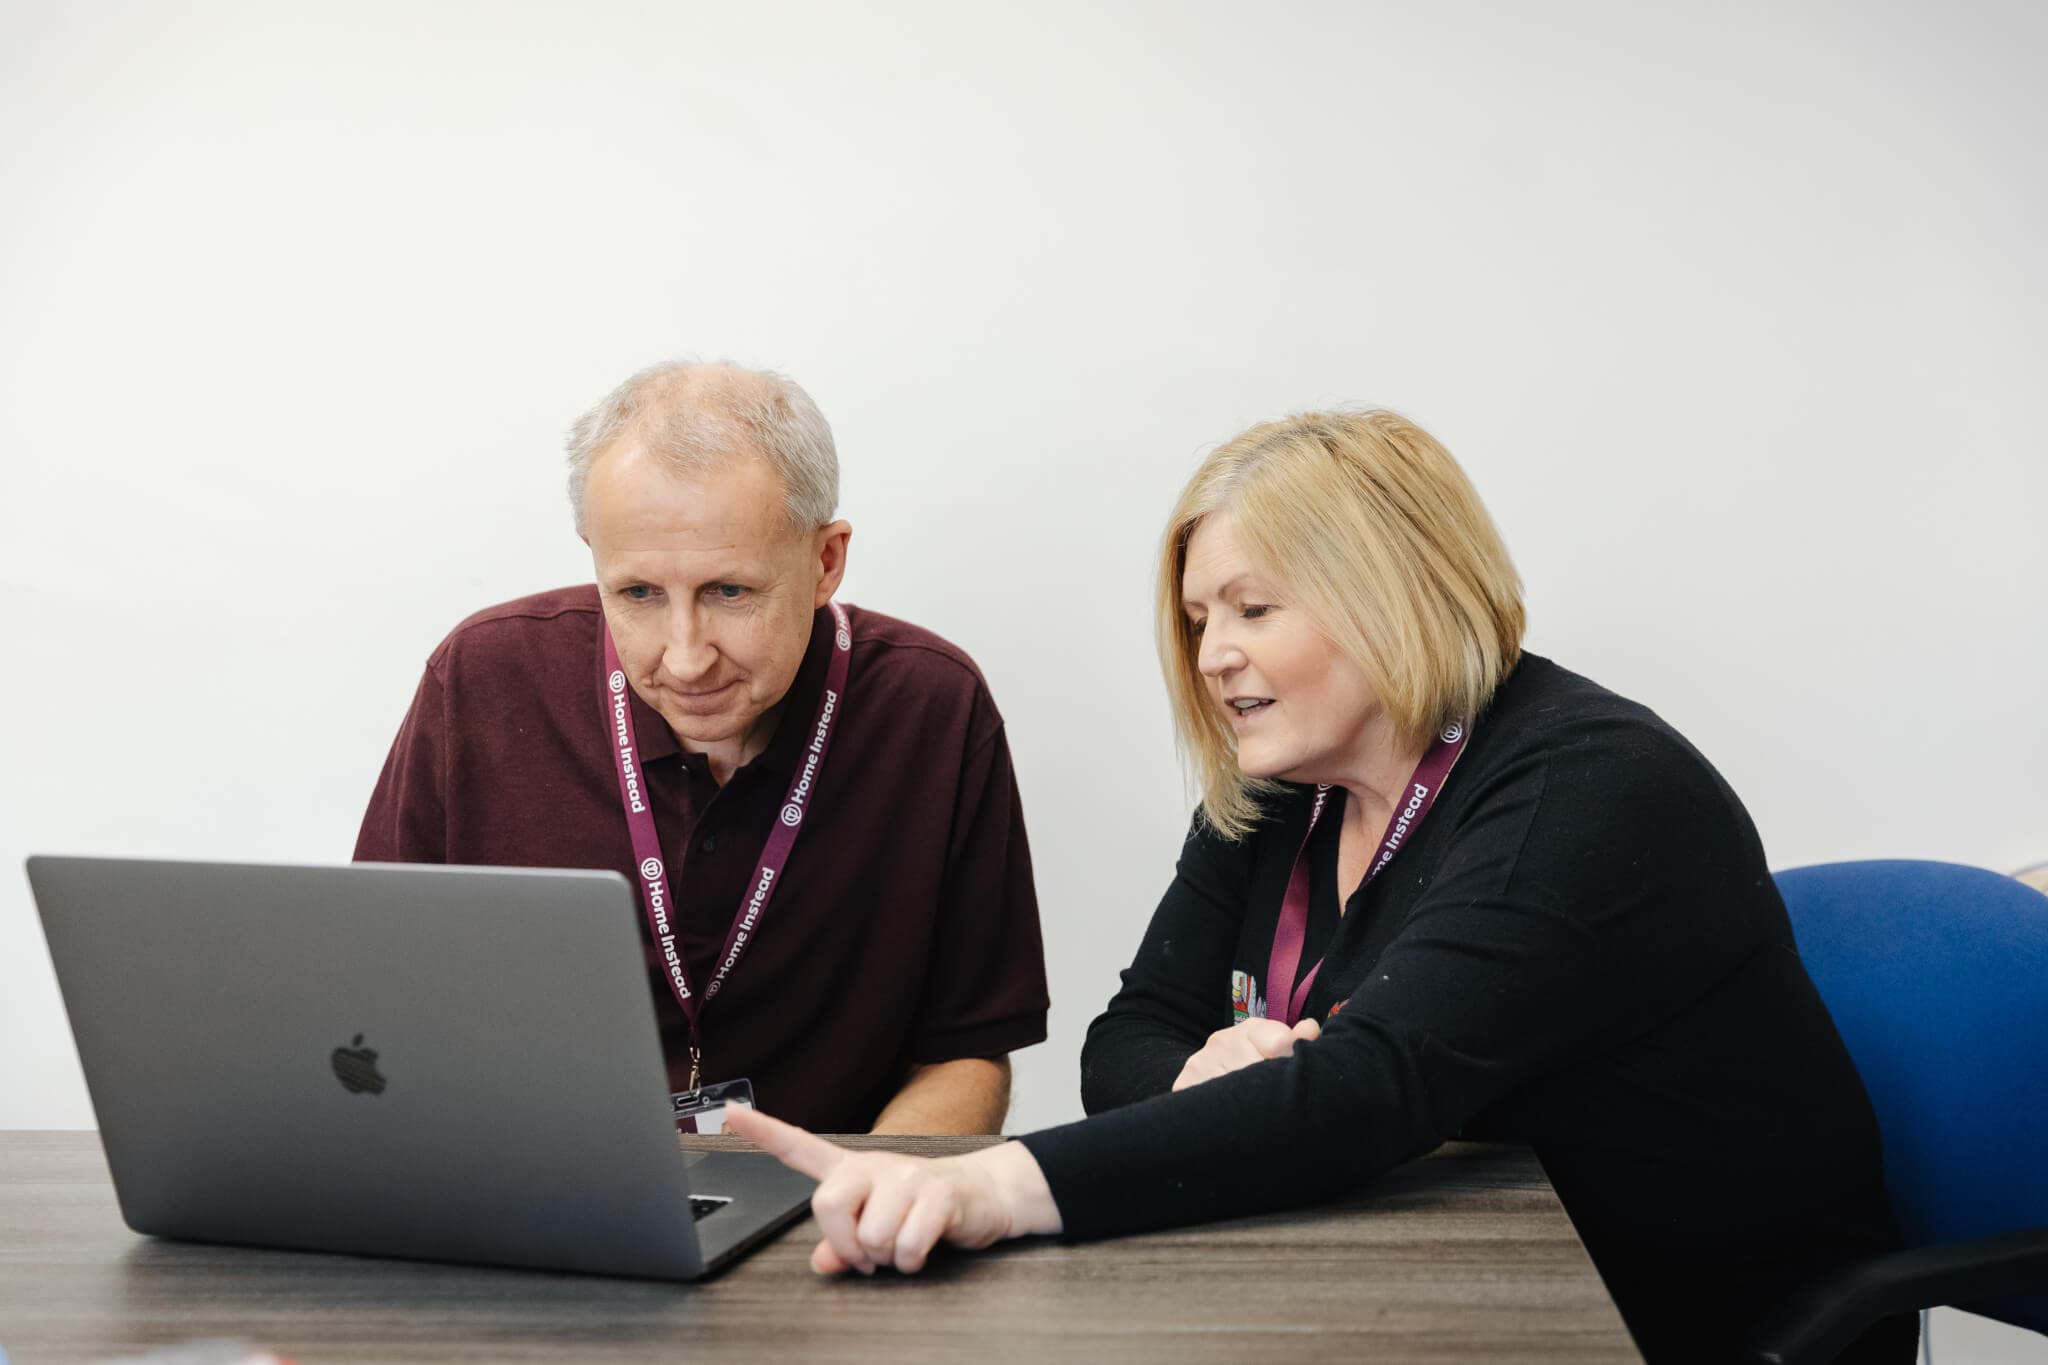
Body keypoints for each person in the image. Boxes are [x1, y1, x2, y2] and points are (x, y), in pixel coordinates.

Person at [727, 408, 1916, 1363]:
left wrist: (995, 1186)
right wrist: (1198, 1076)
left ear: (1392, 591)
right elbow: (1127, 1038)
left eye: (1252, 608)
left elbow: (1374, 1089)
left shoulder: (1593, 788)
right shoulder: (1280, 790)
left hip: (1683, 1319)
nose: (1210, 656)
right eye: (1198, 618)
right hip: (1439, 1281)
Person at [355, 361, 1048, 1134]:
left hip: (822, 1214)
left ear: (826, 561)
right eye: (639, 594)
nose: (685, 658)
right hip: (530, 1189)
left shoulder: (936, 709)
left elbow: (966, 1055)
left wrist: (860, 1206)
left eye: (730, 592)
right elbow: (372, 1005)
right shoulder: (481, 680)